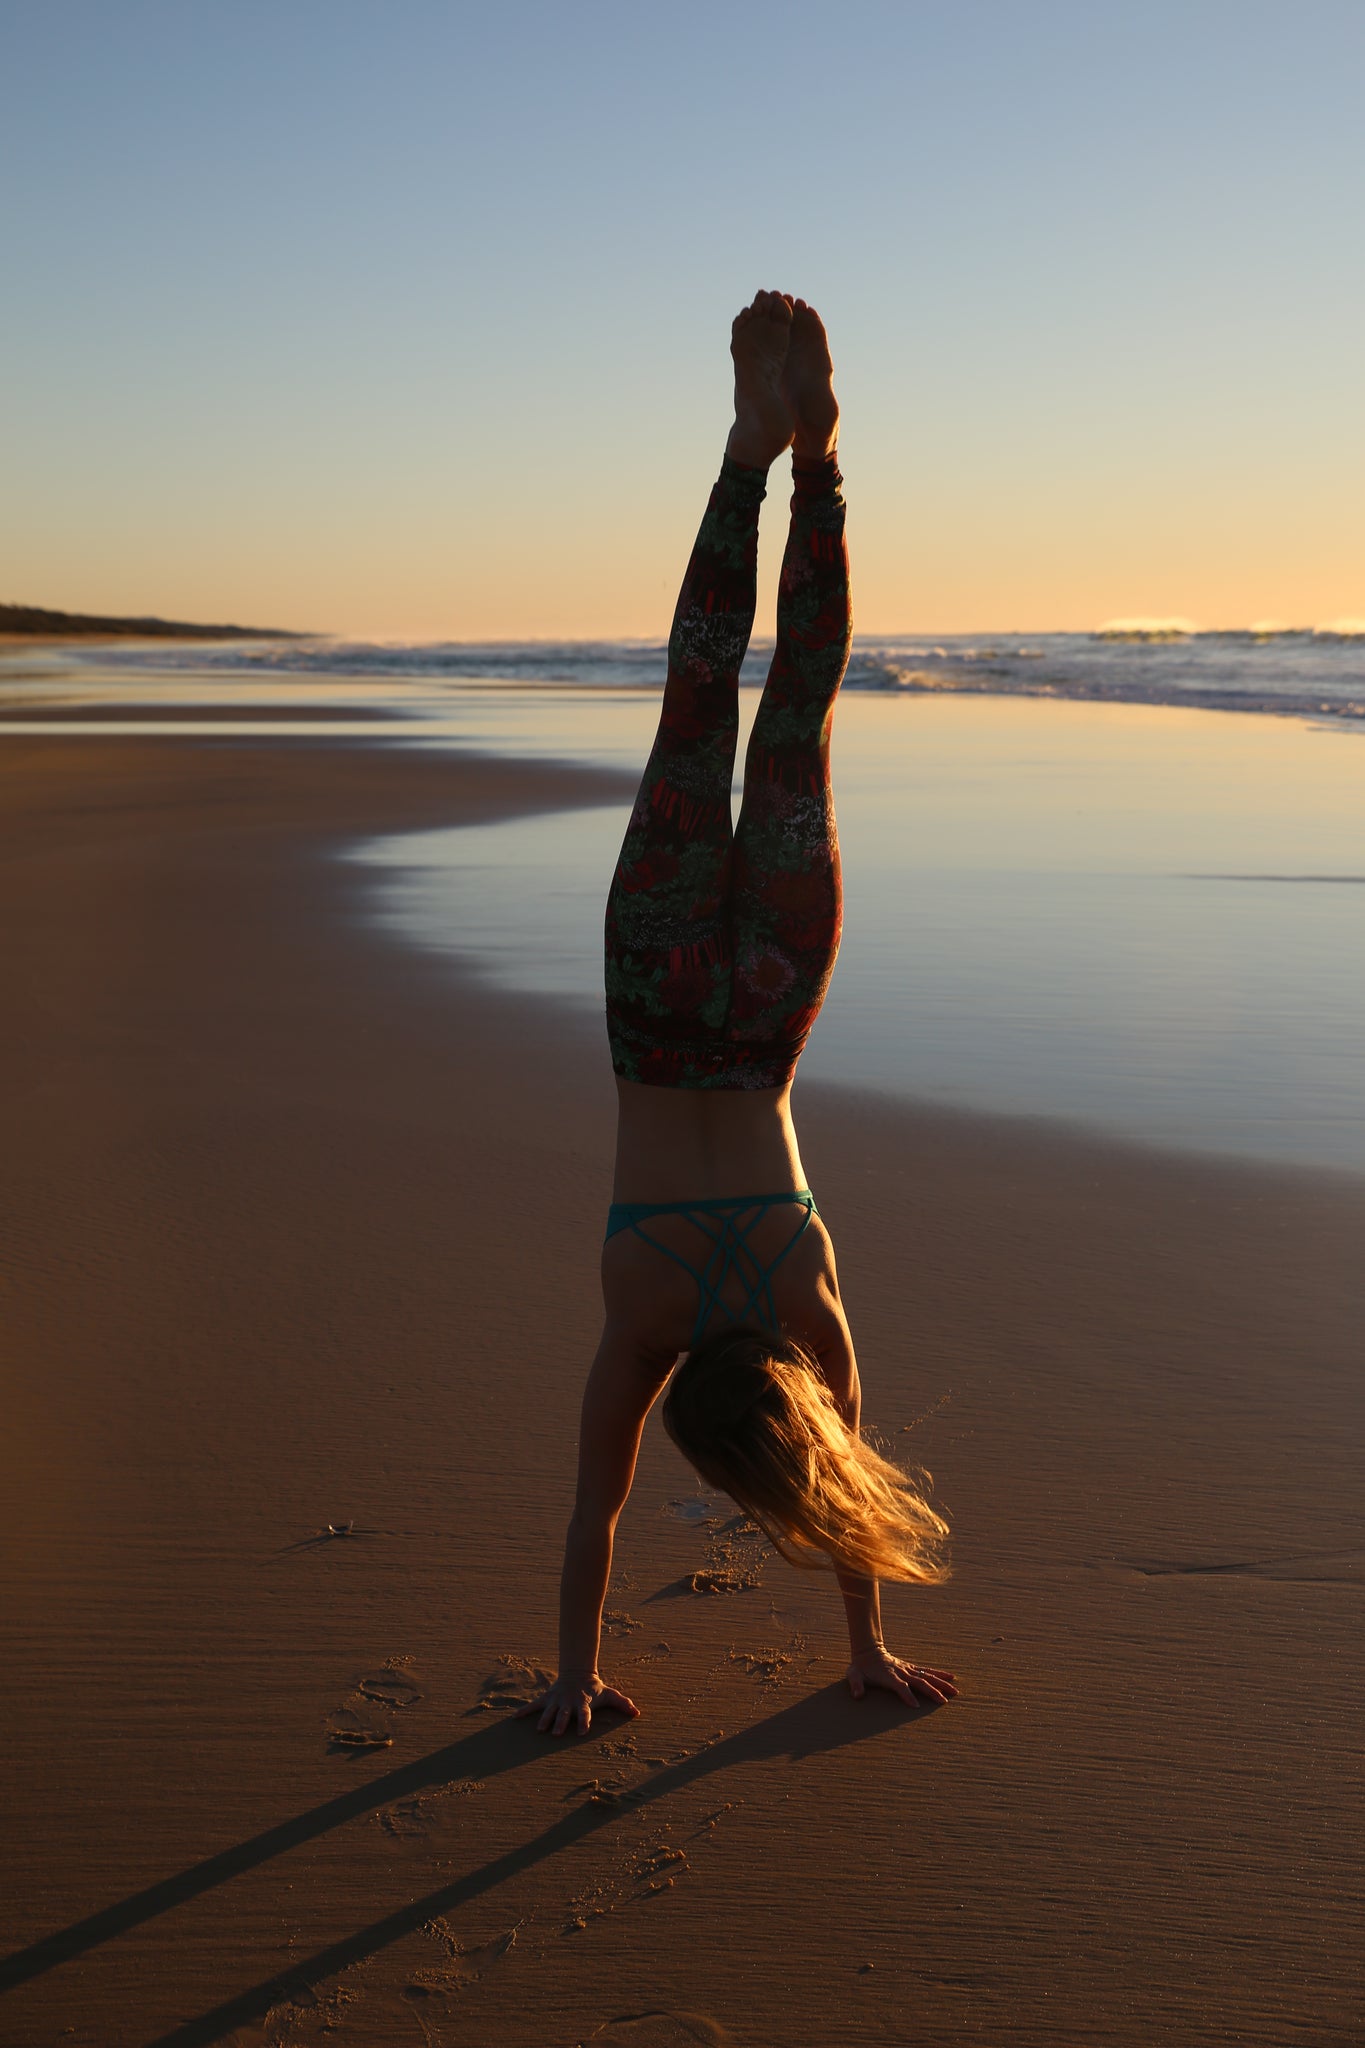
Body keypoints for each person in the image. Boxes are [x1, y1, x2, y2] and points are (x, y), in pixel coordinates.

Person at [523, 291, 957, 1739]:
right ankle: (742, 452)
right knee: (698, 700)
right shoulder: (640, 1321)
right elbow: (593, 1518)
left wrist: (866, 1648)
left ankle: (817, 461)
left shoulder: (800, 1296)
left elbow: (842, 1486)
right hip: (656, 1004)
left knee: (800, 716)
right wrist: (572, 1676)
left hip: (767, 1003)